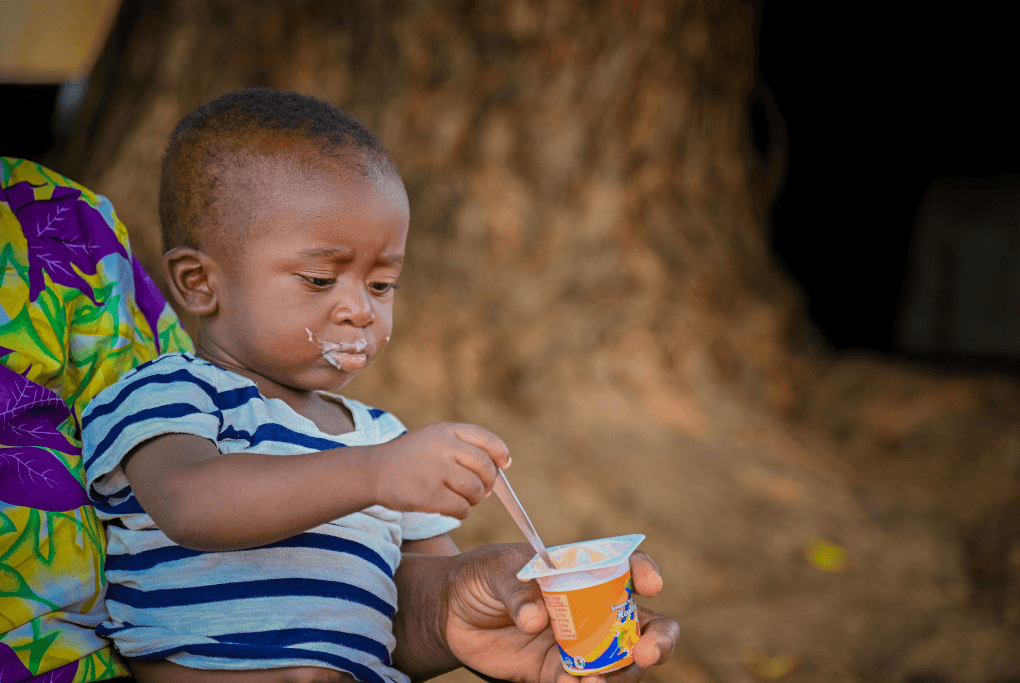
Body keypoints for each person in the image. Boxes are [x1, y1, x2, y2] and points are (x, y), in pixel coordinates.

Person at [79, 89, 678, 683]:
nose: (361, 310)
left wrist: (533, 622)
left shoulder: (381, 437)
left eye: (382, 284)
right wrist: (373, 474)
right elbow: (189, 503)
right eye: (320, 279)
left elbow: (421, 616)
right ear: (199, 282)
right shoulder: (170, 393)